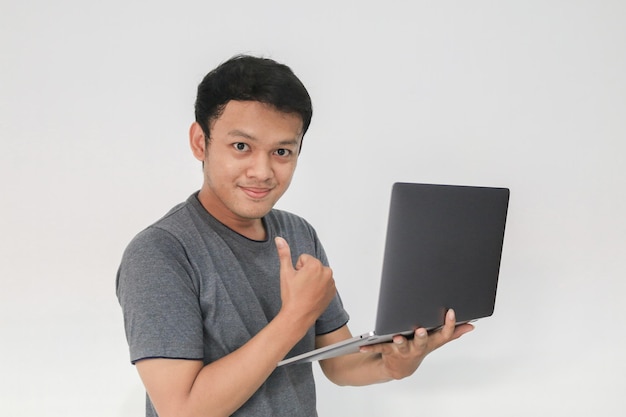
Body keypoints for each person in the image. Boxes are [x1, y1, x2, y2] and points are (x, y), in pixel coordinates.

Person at [116, 54, 474, 417]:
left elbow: (340, 364)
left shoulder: (298, 233)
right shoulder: (159, 253)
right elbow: (182, 410)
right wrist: (295, 317)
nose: (262, 171)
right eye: (242, 147)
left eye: (282, 152)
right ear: (200, 142)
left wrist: (399, 362)